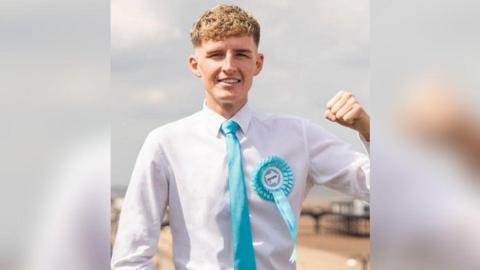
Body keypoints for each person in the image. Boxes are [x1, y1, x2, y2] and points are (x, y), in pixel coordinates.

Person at [111, 5, 370, 270]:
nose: (229, 66)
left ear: (257, 63)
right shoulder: (164, 144)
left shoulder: (298, 136)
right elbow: (130, 257)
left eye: (241, 54)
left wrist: (369, 130)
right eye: (215, 55)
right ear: (195, 65)